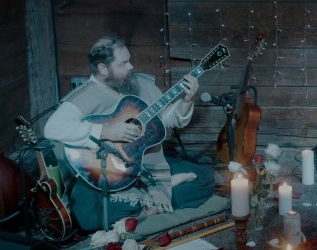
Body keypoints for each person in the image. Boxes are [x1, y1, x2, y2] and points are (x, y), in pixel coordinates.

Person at [44, 34, 219, 233]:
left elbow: (169, 119)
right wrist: (106, 130)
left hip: (148, 165)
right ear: (103, 69)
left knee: (205, 178)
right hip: (105, 174)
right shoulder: (85, 95)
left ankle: (145, 207)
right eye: (123, 63)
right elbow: (52, 128)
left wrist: (187, 100)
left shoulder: (140, 84)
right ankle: (159, 197)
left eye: (129, 60)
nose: (131, 67)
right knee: (87, 217)